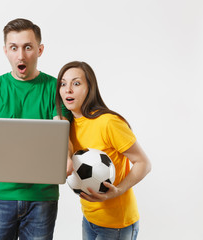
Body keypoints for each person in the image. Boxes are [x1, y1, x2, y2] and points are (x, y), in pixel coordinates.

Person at [0, 18, 69, 240]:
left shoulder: (56, 89)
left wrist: (67, 156)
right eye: (14, 47)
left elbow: (61, 135)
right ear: (5, 50)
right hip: (0, 195)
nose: (21, 55)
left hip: (42, 197)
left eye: (28, 47)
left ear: (40, 50)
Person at [55, 61, 152, 240]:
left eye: (76, 83)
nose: (68, 89)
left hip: (117, 225)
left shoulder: (108, 123)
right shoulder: (67, 126)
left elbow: (144, 163)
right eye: (63, 83)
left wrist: (118, 190)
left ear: (89, 88)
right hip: (90, 219)